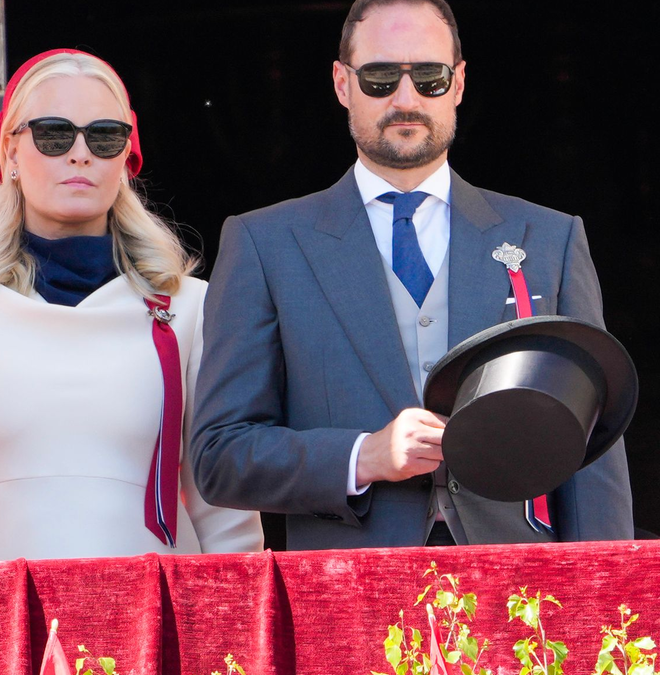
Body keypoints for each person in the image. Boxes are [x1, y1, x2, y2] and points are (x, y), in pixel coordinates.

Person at [191, 0, 633, 549]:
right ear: (342, 84)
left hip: (520, 583)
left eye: (429, 77)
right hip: (349, 583)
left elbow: (592, 452)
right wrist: (363, 456)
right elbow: (220, 456)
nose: (406, 99)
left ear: (459, 83)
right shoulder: (265, 244)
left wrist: (609, 590)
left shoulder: (549, 238)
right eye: (380, 78)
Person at [0, 49, 263, 561]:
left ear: (126, 159)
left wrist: (232, 607)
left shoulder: (191, 308)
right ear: (10, 151)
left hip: (154, 603)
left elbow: (225, 513)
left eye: (104, 136)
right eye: (54, 134)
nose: (80, 154)